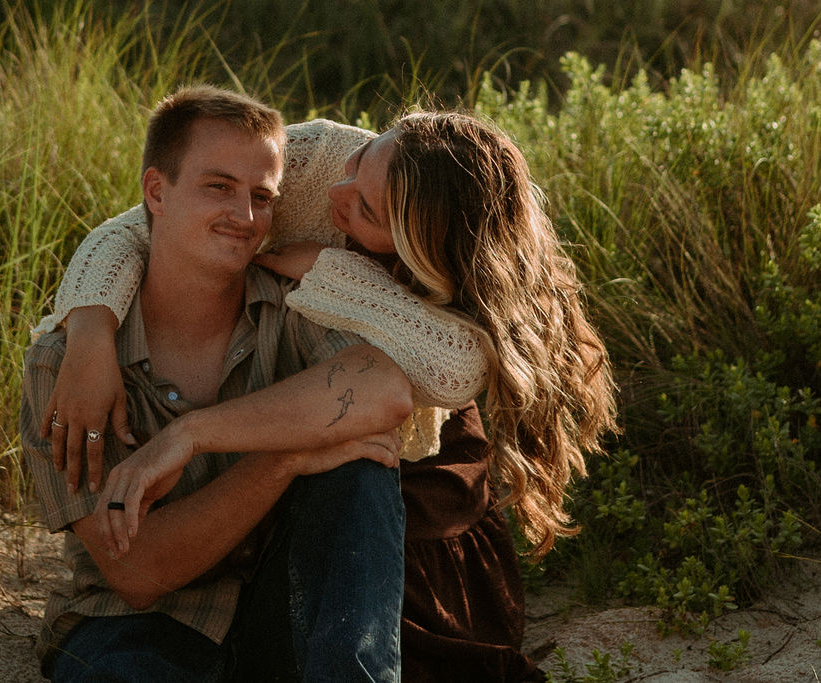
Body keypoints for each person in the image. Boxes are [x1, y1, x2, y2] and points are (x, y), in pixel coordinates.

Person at [41, 110, 617, 681]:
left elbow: (443, 367)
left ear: (421, 254)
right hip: (307, 414)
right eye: (360, 163)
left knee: (359, 454)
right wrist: (91, 329)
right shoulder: (311, 161)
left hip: (402, 443)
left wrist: (328, 271)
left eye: (365, 210)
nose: (337, 195)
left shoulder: (408, 286)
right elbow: (143, 221)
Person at [21, 85, 419, 682]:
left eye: (262, 196)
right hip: (140, 628)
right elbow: (137, 574)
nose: (247, 216)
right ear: (157, 191)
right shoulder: (68, 363)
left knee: (358, 468)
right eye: (219, 187)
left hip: (277, 610)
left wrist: (191, 435)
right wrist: (286, 455)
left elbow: (386, 391)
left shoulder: (295, 309)